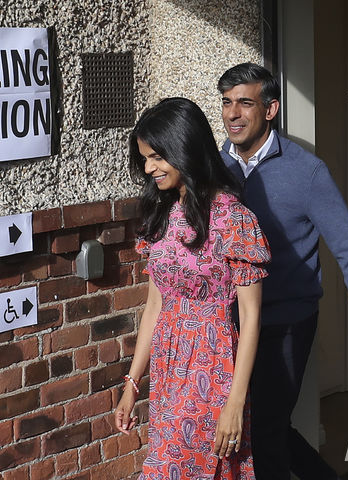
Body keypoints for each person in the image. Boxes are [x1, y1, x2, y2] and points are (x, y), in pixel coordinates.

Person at [113, 97, 271, 479]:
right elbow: (155, 306)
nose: (149, 168)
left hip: (212, 364)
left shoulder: (234, 220)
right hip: (168, 368)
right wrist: (133, 384)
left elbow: (250, 318)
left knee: (179, 470)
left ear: (184, 149)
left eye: (156, 157)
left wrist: (235, 401)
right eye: (145, 158)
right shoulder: (162, 215)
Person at [217, 62, 348, 480]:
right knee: (261, 427)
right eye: (226, 103)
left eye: (245, 102)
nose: (233, 114)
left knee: (263, 431)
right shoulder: (215, 168)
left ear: (271, 108)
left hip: (286, 323)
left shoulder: (307, 172)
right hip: (230, 325)